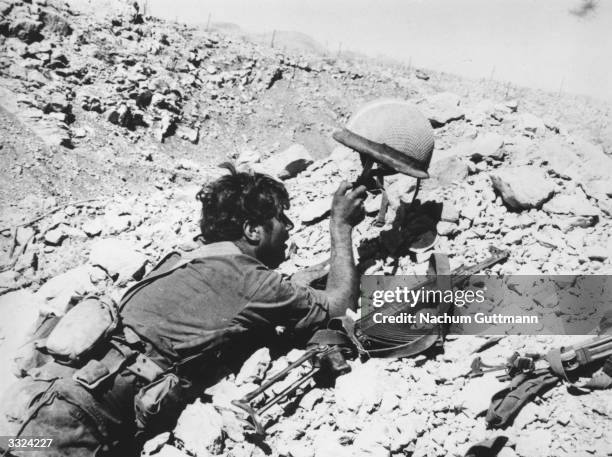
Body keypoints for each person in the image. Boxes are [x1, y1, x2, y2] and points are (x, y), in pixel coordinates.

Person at [0, 166, 367, 457]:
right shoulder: (252, 283)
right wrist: (340, 225)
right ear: (252, 230)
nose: (289, 228)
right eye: (281, 220)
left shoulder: (188, 258)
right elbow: (338, 304)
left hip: (33, 403)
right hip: (63, 427)